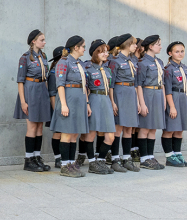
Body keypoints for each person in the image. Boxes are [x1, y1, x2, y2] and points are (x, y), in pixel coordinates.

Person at [51, 36, 90, 178]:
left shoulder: (79, 63)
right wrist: (63, 105)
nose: (85, 49)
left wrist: (86, 104)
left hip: (79, 101)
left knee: (74, 134)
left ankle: (71, 163)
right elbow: (60, 84)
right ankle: (64, 165)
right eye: (83, 46)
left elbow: (84, 85)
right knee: (66, 134)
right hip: (68, 100)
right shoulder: (63, 62)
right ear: (76, 47)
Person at [14, 29, 52, 172]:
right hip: (31, 91)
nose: (44, 42)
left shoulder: (43, 56)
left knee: (40, 127)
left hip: (42, 91)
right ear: (33, 41)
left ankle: (37, 158)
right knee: (32, 127)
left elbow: (46, 77)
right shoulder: (25, 58)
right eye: (42, 40)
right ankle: (28, 160)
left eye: (44, 39)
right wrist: (23, 101)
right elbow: (20, 81)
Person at [81, 40, 116, 174]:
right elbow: (84, 88)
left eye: (107, 51)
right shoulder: (87, 68)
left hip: (105, 100)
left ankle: (100, 160)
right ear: (96, 53)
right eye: (103, 51)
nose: (106, 54)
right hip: (94, 99)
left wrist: (112, 102)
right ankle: (92, 163)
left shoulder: (107, 69)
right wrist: (87, 104)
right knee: (91, 134)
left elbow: (110, 87)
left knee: (110, 136)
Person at [109, 35, 140, 172]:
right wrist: (112, 101)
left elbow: (135, 83)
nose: (136, 46)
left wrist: (138, 102)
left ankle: (126, 158)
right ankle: (115, 159)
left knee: (129, 128)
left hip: (130, 93)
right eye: (133, 44)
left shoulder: (132, 60)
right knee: (119, 128)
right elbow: (110, 84)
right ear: (127, 45)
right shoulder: (115, 61)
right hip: (119, 92)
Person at [136, 35, 166, 169]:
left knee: (153, 127)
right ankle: (143, 158)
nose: (160, 46)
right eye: (158, 44)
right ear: (151, 46)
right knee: (145, 127)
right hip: (147, 94)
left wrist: (164, 99)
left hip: (158, 94)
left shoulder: (159, 62)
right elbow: (138, 85)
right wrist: (142, 103)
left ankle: (150, 156)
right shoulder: (142, 63)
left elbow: (162, 83)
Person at [162, 41, 187, 167]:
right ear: (170, 53)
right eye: (177, 51)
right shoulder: (168, 69)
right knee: (171, 128)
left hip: (184, 98)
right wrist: (172, 107)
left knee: (180, 129)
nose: (180, 54)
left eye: (182, 51)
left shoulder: (185, 68)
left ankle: (177, 153)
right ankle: (169, 156)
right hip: (174, 98)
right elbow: (168, 90)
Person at [48, 46, 65, 168]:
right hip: (57, 106)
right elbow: (52, 93)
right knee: (58, 133)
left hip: (64, 105)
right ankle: (57, 158)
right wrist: (55, 110)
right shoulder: (53, 73)